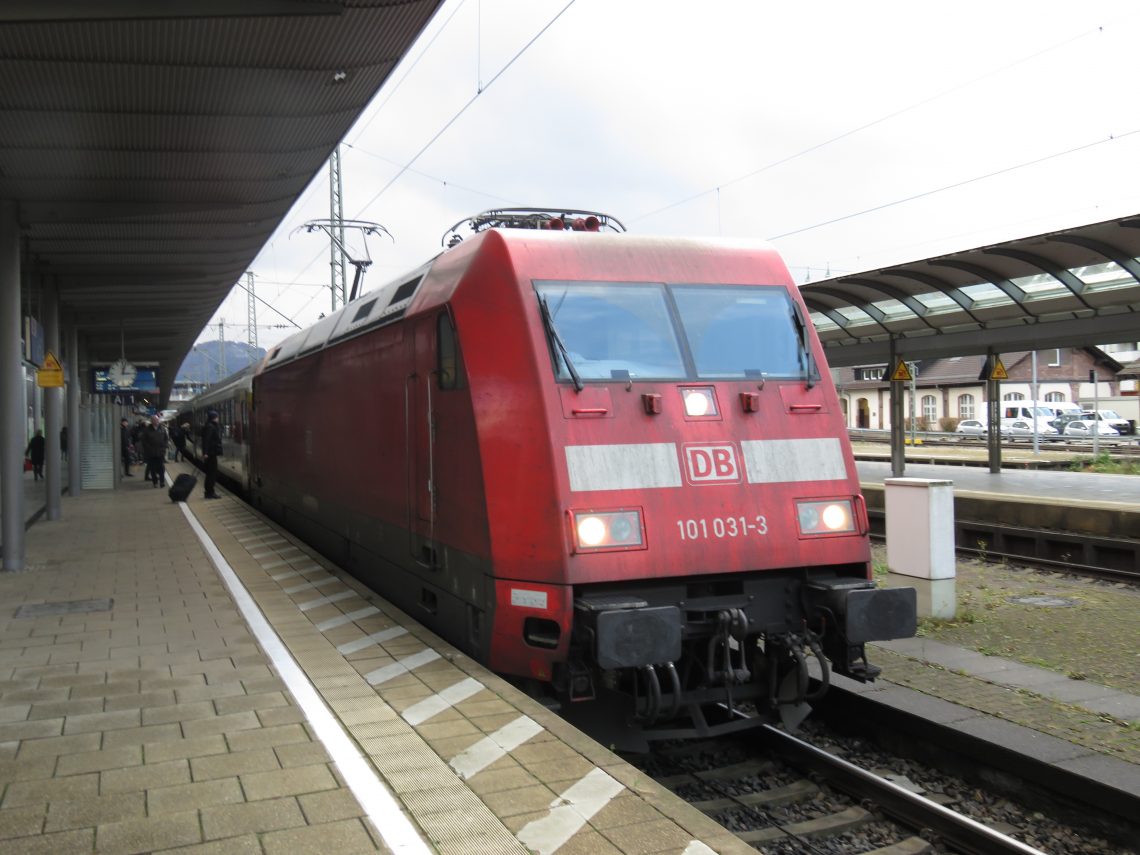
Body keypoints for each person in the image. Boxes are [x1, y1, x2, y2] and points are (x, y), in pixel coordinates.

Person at [140, 415, 169, 488]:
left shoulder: (162, 429)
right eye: (155, 420)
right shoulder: (147, 430)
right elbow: (144, 441)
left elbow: (166, 438)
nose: (157, 421)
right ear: (152, 421)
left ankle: (162, 482)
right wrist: (148, 448)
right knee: (152, 468)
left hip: (160, 452)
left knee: (161, 467)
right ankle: (155, 482)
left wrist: (164, 447)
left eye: (157, 420)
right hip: (151, 453)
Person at [201, 410, 223, 499]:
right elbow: (207, 440)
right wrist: (205, 453)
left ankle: (209, 492)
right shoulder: (210, 427)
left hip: (211, 453)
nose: (218, 419)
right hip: (211, 454)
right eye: (217, 417)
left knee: (211, 473)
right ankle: (210, 492)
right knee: (212, 473)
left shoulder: (210, 425)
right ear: (214, 418)